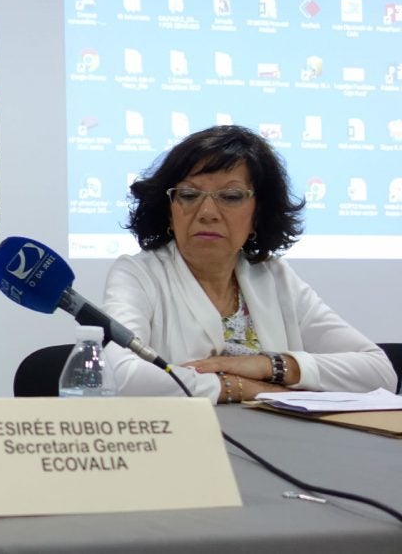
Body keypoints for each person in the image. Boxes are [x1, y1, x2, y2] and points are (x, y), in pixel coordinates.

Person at [102, 125, 396, 403]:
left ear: (258, 214)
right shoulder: (138, 274)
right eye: (189, 195)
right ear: (169, 211)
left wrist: (271, 366)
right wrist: (238, 387)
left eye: (230, 197)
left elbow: (379, 372)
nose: (207, 212)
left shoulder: (273, 275)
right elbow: (119, 376)